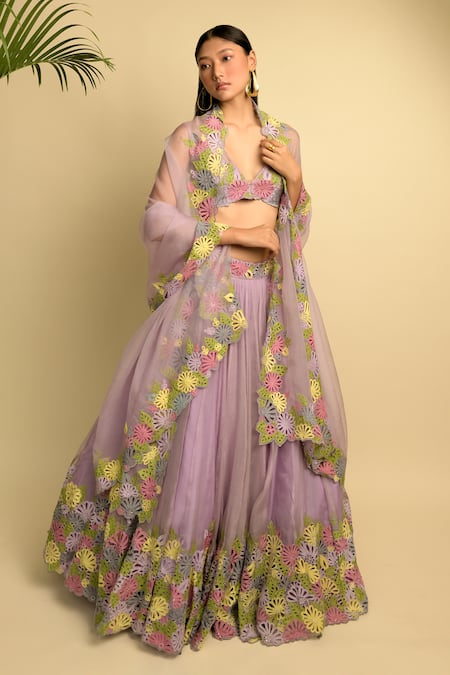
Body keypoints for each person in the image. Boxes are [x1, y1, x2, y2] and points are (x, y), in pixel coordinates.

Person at [44, 25, 368, 654]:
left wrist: (295, 181)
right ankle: (169, 586)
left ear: (251, 61)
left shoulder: (284, 139)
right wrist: (231, 232)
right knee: (195, 436)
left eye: (226, 57)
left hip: (271, 309)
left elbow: (294, 233)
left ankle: (256, 580)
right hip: (209, 306)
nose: (217, 72)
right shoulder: (189, 138)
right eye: (204, 64)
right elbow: (157, 219)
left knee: (267, 437)